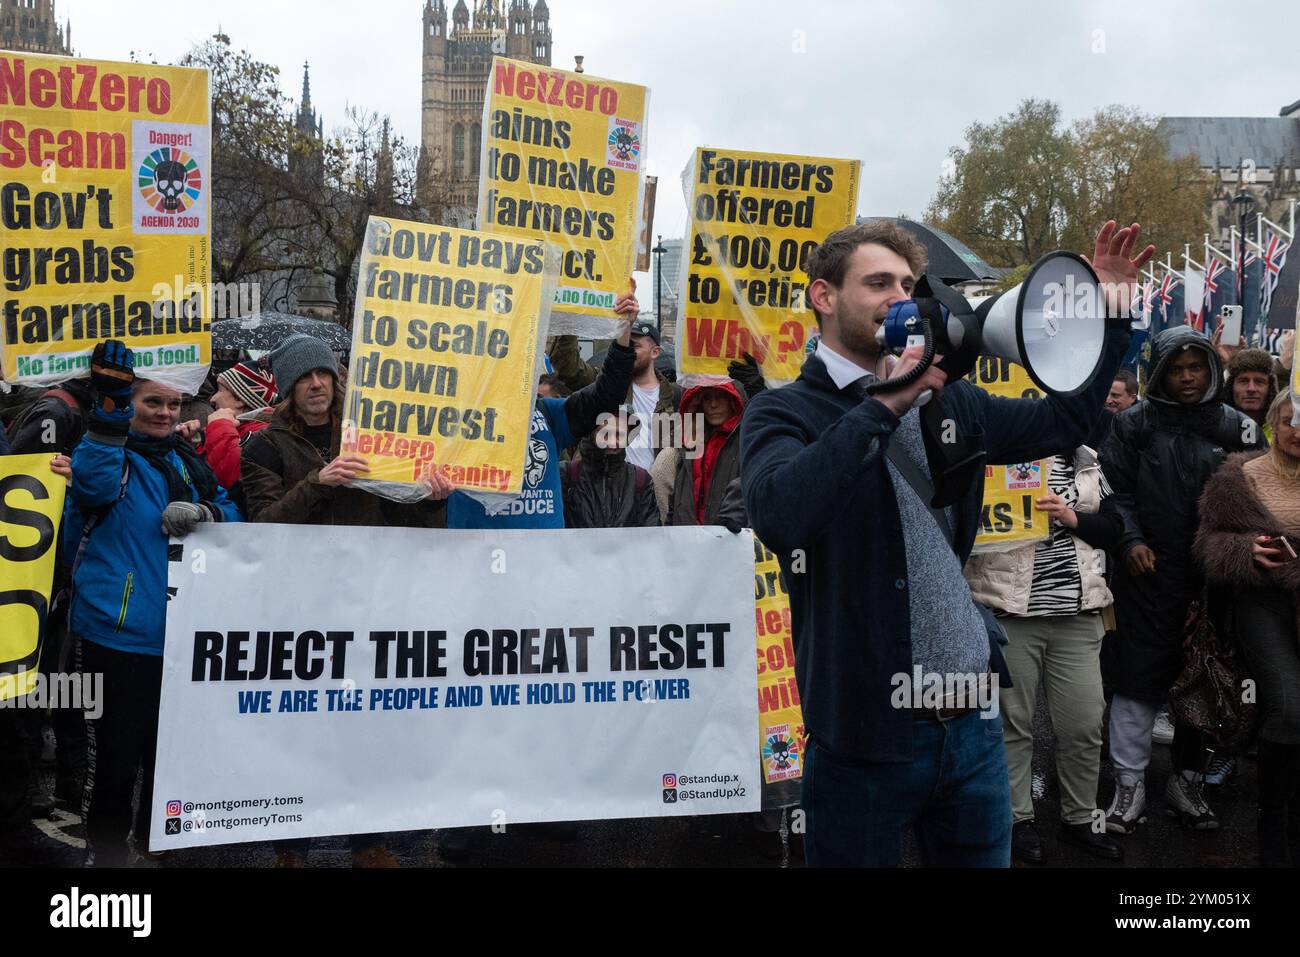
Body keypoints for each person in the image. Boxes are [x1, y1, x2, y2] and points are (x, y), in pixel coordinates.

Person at [740, 219, 1147, 867]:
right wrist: (885, 404)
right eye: (878, 282)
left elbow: (1068, 419)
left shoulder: (951, 399)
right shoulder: (785, 411)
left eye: (906, 283)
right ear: (823, 295)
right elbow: (782, 513)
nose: (899, 296)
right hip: (863, 739)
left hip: (972, 727)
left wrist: (1113, 323)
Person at [240, 333, 451, 867]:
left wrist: (430, 501)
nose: (317, 385)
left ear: (336, 380)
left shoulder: (371, 438)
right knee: (302, 729)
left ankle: (369, 841)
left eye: (324, 375)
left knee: (367, 725)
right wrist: (320, 481)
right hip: (300, 609)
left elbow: (407, 523)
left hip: (367, 602)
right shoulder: (263, 446)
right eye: (305, 378)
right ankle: (292, 844)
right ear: (288, 388)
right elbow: (263, 527)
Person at [66, 341, 241, 866]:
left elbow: (233, 509)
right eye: (152, 403)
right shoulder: (103, 454)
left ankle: (151, 850)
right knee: (115, 762)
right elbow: (94, 484)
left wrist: (208, 510)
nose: (166, 413)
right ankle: (107, 858)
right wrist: (112, 405)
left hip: (182, 640)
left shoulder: (185, 459)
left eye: (172, 404)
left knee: (166, 761)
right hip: (115, 638)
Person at [1100, 325, 1265, 835]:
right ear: (1161, 373)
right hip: (1148, 575)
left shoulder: (1237, 427)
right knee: (1138, 682)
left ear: (1211, 370)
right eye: (1176, 369)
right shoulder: (1134, 424)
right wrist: (1130, 541)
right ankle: (1129, 786)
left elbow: (1260, 498)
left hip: (1213, 581)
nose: (1187, 378)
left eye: (1196, 368)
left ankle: (1187, 783)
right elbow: (1112, 490)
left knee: (1204, 685)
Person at [964, 446, 1124, 864]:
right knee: (1012, 726)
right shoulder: (993, 452)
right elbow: (960, 524)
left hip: (1079, 614)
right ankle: (1017, 821)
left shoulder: (1088, 460)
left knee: (1084, 724)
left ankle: (1080, 820)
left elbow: (1114, 528)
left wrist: (1072, 518)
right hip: (1010, 613)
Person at [1195, 391, 1300, 866]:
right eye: (1290, 420)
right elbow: (1208, 543)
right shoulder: (1239, 476)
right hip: (1265, 603)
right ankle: (1271, 819)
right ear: (1274, 425)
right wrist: (1245, 551)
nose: (1297, 430)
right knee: (1288, 706)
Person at [447, 290, 641, 531]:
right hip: (477, 553)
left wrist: (623, 331)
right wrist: (429, 496)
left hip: (544, 558)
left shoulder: (547, 413)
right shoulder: (451, 418)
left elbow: (606, 396)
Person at [547, 316, 680, 471]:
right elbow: (567, 368)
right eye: (624, 343)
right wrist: (569, 322)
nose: (627, 350)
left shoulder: (675, 396)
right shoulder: (605, 385)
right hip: (605, 487)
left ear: (655, 352)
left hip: (652, 491)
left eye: (633, 345)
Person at [176, 361, 277, 491]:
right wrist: (191, 445)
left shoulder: (263, 434)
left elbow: (231, 478)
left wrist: (220, 426)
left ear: (240, 399)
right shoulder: (234, 430)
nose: (212, 399)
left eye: (220, 390)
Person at [665, 381, 746, 527]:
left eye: (721, 397)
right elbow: (675, 500)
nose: (713, 405)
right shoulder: (687, 442)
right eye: (707, 398)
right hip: (685, 542)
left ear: (733, 401)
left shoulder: (746, 442)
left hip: (731, 541)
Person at [561, 415, 660, 529]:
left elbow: (651, 536)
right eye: (605, 434)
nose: (612, 443)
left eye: (620, 435)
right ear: (591, 432)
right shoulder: (566, 476)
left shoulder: (641, 481)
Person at [1221, 348, 1277, 444]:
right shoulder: (1217, 426)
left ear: (1270, 388)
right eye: (1243, 381)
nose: (1251, 389)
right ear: (1231, 386)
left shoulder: (1281, 431)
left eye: (1259, 381)